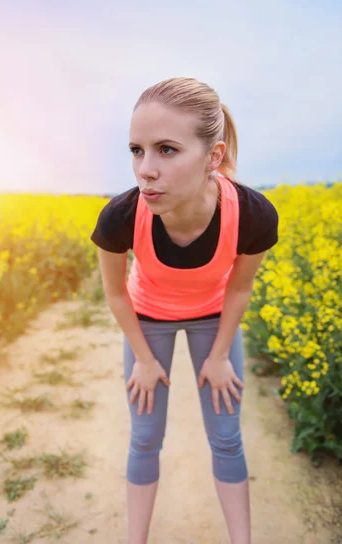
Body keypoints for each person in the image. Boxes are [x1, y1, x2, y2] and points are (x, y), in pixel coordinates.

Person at [90, 77, 279, 544]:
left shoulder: (253, 214)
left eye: (167, 150)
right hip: (148, 318)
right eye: (137, 150)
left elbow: (239, 289)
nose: (145, 170)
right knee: (145, 436)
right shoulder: (119, 217)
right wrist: (146, 360)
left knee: (226, 436)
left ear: (213, 157)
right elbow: (116, 294)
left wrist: (218, 357)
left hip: (214, 316)